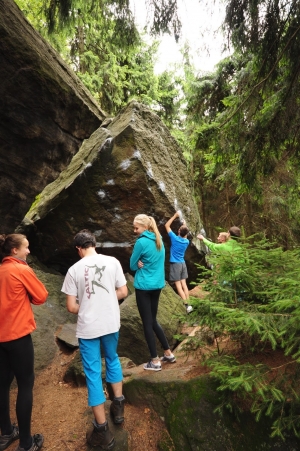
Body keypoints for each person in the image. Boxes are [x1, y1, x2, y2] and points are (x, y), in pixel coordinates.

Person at [61, 230, 127, 450]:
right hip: (110, 322)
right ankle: (118, 408)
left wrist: (87, 306)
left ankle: (102, 430)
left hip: (88, 328)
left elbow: (71, 307)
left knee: (92, 372)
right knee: (113, 358)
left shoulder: (73, 270)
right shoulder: (113, 261)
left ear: (78, 249)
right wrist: (106, 299)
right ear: (94, 244)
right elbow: (123, 291)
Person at [0, 234, 48, 451]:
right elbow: (41, 296)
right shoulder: (20, 269)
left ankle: (7, 432)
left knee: (2, 385)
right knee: (25, 385)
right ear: (14, 251)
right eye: (26, 248)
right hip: (18, 336)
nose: (28, 251)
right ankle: (27, 443)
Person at [130, 214, 176, 371]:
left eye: (136, 228)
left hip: (143, 287)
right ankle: (168, 352)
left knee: (147, 324)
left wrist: (138, 264)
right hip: (157, 285)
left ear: (144, 227)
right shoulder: (159, 240)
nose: (135, 230)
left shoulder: (141, 242)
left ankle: (155, 361)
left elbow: (132, 265)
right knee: (153, 320)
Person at [165, 211, 193, 313]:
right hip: (182, 264)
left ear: (178, 231)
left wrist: (175, 216)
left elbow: (166, 225)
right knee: (184, 284)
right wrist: (184, 224)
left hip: (175, 264)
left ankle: (186, 306)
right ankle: (189, 303)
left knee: (178, 285)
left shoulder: (174, 239)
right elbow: (185, 232)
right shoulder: (186, 241)